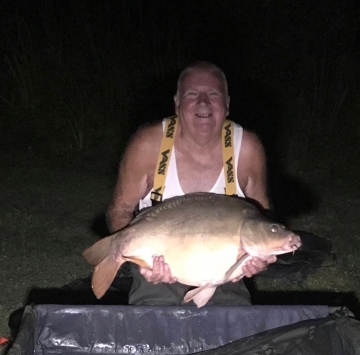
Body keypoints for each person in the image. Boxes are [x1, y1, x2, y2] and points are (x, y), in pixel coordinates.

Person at [106, 61, 277, 305]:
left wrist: (259, 257)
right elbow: (119, 210)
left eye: (214, 94)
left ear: (227, 105)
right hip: (159, 263)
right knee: (154, 326)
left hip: (223, 269)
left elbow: (262, 216)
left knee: (235, 328)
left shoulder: (247, 149)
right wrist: (139, 261)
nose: (204, 102)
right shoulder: (148, 145)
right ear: (177, 104)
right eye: (193, 94)